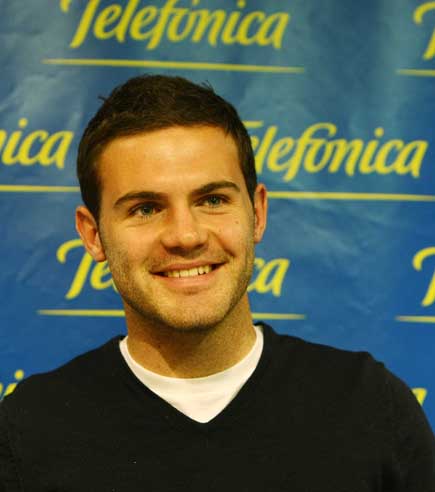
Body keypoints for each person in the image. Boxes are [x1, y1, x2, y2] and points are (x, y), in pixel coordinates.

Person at [0, 74, 434, 492]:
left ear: (257, 213)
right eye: (146, 208)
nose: (186, 235)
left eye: (212, 200)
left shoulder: (370, 405)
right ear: (93, 235)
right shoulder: (27, 431)